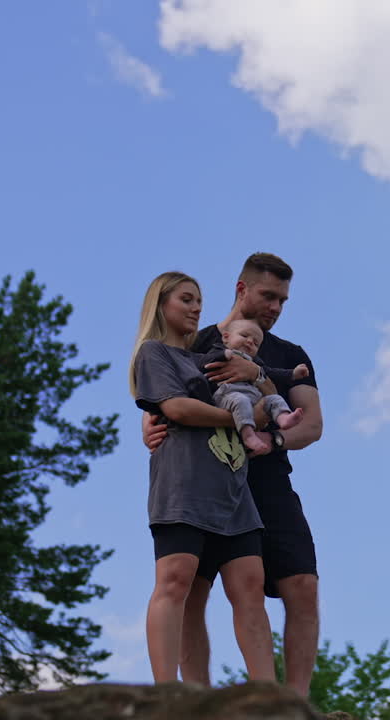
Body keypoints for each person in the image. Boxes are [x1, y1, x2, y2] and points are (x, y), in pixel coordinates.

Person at [143, 253, 323, 696]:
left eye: (283, 300)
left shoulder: (289, 355)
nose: (276, 307)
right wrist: (151, 422)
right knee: (192, 587)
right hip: (207, 475)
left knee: (301, 583)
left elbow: (311, 425)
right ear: (242, 289)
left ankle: (292, 701)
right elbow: (167, 395)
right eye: (268, 296)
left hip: (267, 479)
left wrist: (268, 429)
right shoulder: (197, 340)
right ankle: (196, 696)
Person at [128, 271, 276, 684]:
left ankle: (269, 697)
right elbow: (176, 409)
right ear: (161, 304)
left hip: (232, 489)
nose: (196, 308)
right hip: (183, 487)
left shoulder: (214, 353)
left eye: (199, 301)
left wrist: (259, 386)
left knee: (250, 587)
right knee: (174, 582)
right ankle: (168, 694)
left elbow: (264, 390)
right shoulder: (154, 354)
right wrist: (239, 418)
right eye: (186, 300)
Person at [196, 317, 307, 454]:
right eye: (244, 335)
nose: (249, 342)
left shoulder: (255, 362)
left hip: (254, 397)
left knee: (274, 399)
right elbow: (202, 363)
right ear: (226, 337)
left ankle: (283, 418)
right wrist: (223, 354)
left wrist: (293, 374)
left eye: (255, 343)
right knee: (240, 401)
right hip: (227, 395)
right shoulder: (217, 350)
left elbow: (271, 373)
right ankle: (248, 435)